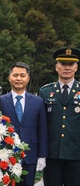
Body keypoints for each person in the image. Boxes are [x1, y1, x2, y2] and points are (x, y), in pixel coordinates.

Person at [1, 62, 47, 186]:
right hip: (7, 155)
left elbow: (42, 129)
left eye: (22, 75)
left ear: (28, 79)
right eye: (15, 75)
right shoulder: (1, 101)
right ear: (9, 78)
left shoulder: (38, 101)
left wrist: (42, 156)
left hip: (30, 155)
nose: (18, 78)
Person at [39, 47, 80, 186]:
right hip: (52, 154)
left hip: (76, 154)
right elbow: (42, 123)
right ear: (57, 67)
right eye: (63, 64)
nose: (66, 67)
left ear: (76, 67)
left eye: (71, 64)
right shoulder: (45, 91)